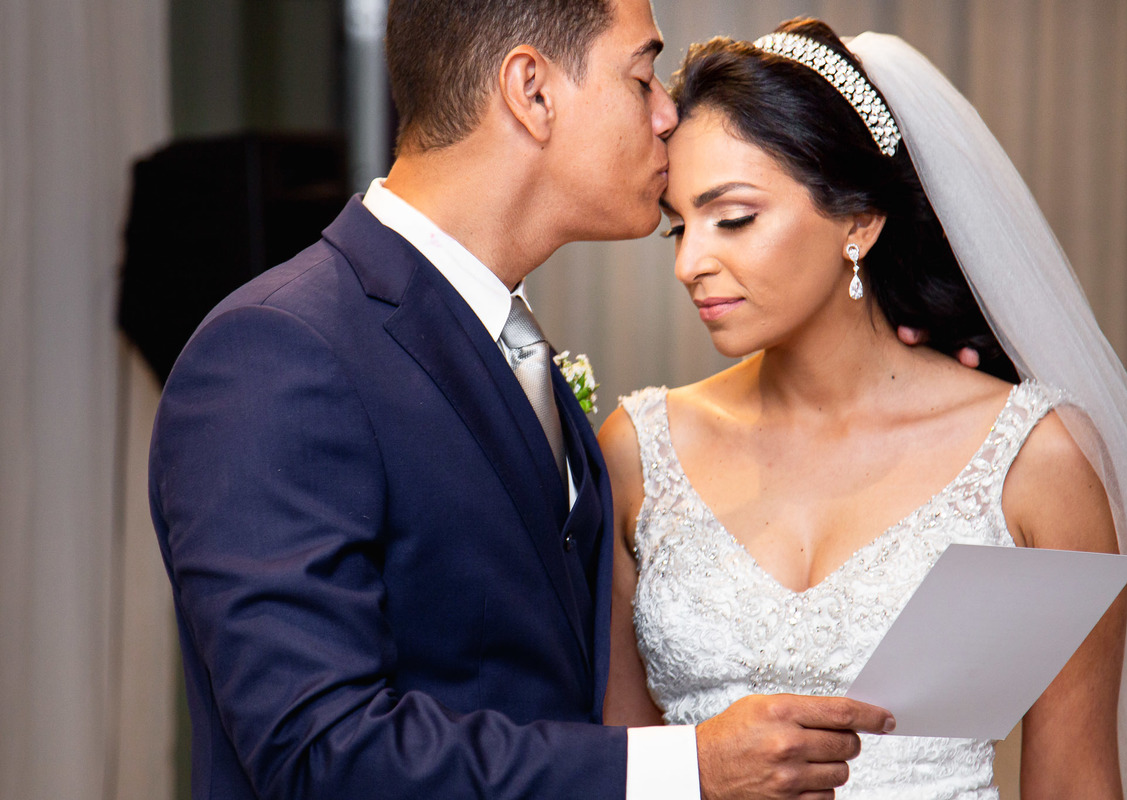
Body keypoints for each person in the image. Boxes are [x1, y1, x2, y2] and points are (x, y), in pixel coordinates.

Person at [148, 2, 898, 799]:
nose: (667, 113)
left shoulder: (507, 343)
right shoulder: (277, 352)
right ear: (531, 90)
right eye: (642, 75)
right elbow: (318, 753)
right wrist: (689, 768)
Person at [601, 17, 1127, 799]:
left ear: (859, 219)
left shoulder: (1032, 460)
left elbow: (1077, 783)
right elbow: (614, 765)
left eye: (735, 218)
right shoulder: (636, 451)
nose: (690, 262)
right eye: (680, 227)